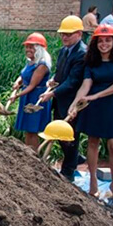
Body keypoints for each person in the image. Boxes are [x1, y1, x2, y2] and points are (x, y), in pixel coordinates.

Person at [68, 25, 113, 203]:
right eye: (100, 41)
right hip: (93, 106)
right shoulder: (91, 63)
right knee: (93, 142)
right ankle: (93, 182)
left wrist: (95, 95)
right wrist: (74, 104)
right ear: (95, 43)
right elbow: (85, 85)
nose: (104, 44)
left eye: (108, 40)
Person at [39, 15, 87, 182]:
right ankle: (76, 158)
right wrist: (53, 80)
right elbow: (62, 73)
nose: (65, 37)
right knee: (60, 134)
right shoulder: (64, 51)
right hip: (60, 100)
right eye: (63, 34)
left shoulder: (82, 53)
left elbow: (73, 81)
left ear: (79, 34)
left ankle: (68, 171)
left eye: (69, 34)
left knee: (70, 136)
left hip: (73, 102)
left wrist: (52, 93)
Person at [10, 33, 52, 151]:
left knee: (32, 130)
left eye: (31, 47)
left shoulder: (42, 65)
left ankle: (34, 157)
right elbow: (23, 75)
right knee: (27, 130)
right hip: (27, 95)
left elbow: (32, 85)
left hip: (36, 98)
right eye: (27, 47)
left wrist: (17, 95)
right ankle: (28, 155)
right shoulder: (31, 61)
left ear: (39, 49)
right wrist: (18, 82)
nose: (28, 49)